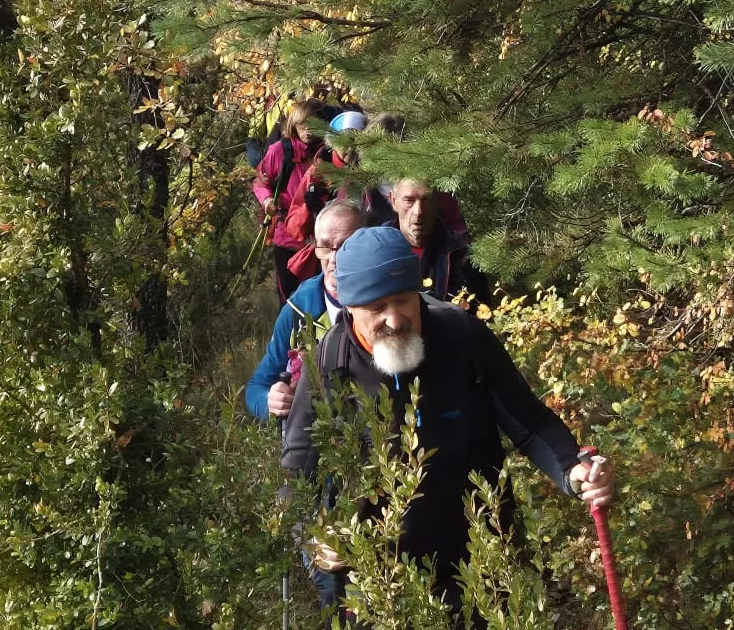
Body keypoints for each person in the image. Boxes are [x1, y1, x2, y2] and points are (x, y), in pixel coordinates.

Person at [282, 226, 610, 594]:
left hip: (484, 559)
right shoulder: (328, 364)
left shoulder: (462, 336)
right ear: (348, 306)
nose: (394, 320)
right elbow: (297, 471)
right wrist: (312, 535)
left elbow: (528, 421)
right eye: (376, 308)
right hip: (383, 584)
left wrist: (571, 468)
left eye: (404, 300)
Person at [245, 201, 366, 421]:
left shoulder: (385, 304)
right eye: (325, 247)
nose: (335, 259)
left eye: (346, 245)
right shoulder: (298, 309)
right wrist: (271, 402)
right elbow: (256, 387)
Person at [253, 100, 331, 302]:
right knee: (289, 300)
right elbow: (260, 182)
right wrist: (267, 199)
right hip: (286, 237)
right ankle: (289, 333)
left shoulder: (325, 152)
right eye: (303, 125)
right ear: (294, 125)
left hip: (319, 237)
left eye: (313, 125)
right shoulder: (280, 151)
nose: (308, 131)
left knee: (318, 298)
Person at [385, 177, 490, 308]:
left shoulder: (461, 256)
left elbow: (481, 317)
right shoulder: (375, 251)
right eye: (409, 200)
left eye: (426, 199)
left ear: (437, 201)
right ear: (393, 200)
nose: (418, 211)